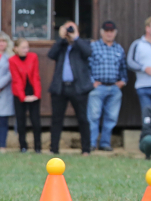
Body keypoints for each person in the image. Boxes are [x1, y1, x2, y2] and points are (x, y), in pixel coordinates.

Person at [48, 21, 92, 155]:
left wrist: (76, 38)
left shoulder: (83, 43)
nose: (69, 31)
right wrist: (62, 38)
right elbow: (51, 54)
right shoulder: (61, 45)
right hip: (60, 87)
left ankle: (86, 149)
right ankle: (54, 149)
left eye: (72, 28)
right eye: (67, 28)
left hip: (78, 88)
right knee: (56, 119)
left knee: (83, 118)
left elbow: (88, 52)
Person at [87, 21, 127, 152]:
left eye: (111, 31)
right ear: (102, 32)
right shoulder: (93, 47)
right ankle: (91, 143)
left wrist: (123, 80)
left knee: (111, 118)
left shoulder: (119, 49)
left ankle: (105, 143)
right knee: (94, 116)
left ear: (115, 33)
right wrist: (91, 82)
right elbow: (87, 66)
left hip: (114, 88)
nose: (109, 33)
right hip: (97, 87)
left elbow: (123, 67)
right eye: (107, 31)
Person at [9, 39, 42, 153]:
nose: (26, 50)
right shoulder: (12, 60)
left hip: (33, 91)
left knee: (36, 121)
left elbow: (35, 75)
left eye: (27, 47)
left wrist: (36, 95)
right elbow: (16, 80)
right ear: (16, 49)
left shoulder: (33, 57)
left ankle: (38, 147)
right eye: (23, 48)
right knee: (21, 121)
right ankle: (23, 146)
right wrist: (23, 97)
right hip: (19, 94)